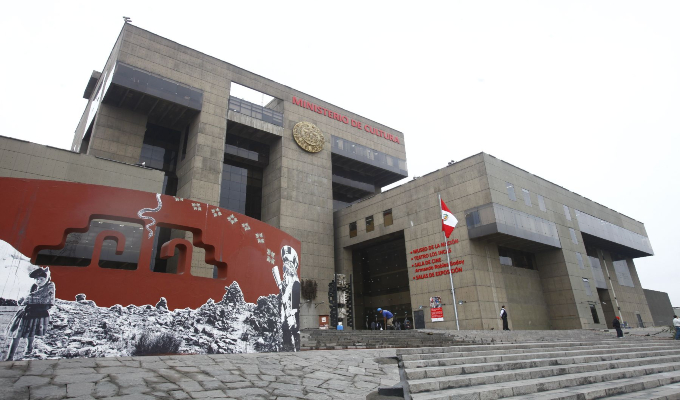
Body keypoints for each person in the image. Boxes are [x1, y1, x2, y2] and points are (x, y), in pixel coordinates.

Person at [5, 267, 55, 361]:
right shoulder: (34, 287)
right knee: (16, 334)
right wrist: (23, 300)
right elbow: (28, 296)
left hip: (38, 313)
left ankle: (29, 348)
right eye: (37, 279)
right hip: (26, 312)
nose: (38, 281)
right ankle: (10, 357)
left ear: (46, 278)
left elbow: (48, 301)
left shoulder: (50, 287)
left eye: (41, 279)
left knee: (31, 332)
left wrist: (29, 300)